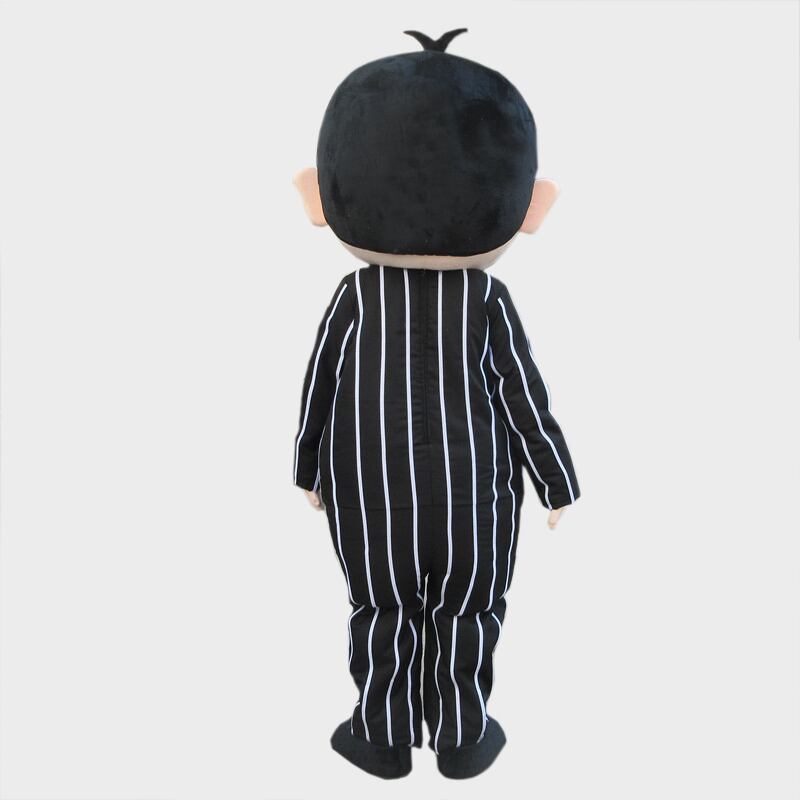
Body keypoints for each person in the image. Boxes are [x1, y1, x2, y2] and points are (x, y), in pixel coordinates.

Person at [292, 28, 580, 779]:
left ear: (323, 194)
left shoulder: (356, 296)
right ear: (528, 205)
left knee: (380, 609)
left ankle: (381, 734)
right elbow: (523, 396)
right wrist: (556, 481)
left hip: (369, 488)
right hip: (473, 494)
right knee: (469, 610)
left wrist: (309, 468)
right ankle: (461, 733)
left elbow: (321, 386)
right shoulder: (485, 298)